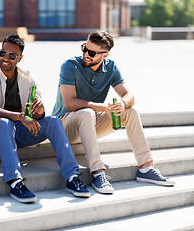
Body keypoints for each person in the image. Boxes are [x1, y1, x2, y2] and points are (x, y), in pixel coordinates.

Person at [0, 34, 90, 203]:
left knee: (53, 120)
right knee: (5, 123)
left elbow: (37, 114)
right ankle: (15, 182)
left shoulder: (28, 77)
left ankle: (72, 177)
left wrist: (39, 111)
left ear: (20, 58)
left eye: (12, 56)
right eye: (2, 53)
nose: (5, 58)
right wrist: (20, 116)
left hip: (19, 129)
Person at [52, 30, 175, 195]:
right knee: (87, 113)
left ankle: (145, 168)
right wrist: (101, 107)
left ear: (105, 54)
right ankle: (98, 173)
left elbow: (129, 95)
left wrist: (122, 104)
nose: (85, 54)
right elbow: (70, 103)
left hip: (90, 122)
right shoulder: (69, 66)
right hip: (64, 124)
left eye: (91, 52)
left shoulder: (110, 67)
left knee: (130, 112)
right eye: (84, 48)